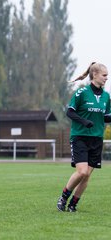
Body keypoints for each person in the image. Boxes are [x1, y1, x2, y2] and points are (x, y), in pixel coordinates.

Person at [57, 62, 111, 212]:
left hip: (96, 139)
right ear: (95, 75)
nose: (107, 78)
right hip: (80, 137)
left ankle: (73, 205)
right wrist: (84, 121)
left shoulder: (106, 96)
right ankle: (63, 198)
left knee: (87, 176)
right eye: (104, 75)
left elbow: (106, 117)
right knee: (82, 172)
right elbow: (70, 112)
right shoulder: (82, 92)